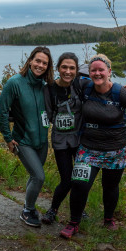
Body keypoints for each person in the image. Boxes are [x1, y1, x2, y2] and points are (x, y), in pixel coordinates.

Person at [60, 53, 126, 239]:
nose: (97, 73)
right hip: (88, 148)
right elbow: (65, 79)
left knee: (110, 187)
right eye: (93, 70)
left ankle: (108, 220)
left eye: (101, 70)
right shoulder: (84, 87)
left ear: (109, 71)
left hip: (115, 150)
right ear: (89, 72)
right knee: (79, 184)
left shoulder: (120, 93)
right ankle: (74, 223)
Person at [0, 46, 54, 227]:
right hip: (23, 140)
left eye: (44, 63)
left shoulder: (46, 86)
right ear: (30, 61)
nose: (40, 65)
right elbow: (2, 111)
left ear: (48, 66)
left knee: (34, 175)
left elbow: (70, 86)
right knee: (39, 177)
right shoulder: (15, 82)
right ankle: (28, 210)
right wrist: (7, 137)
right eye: (37, 61)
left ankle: (28, 206)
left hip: (43, 142)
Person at [41, 52, 89, 224]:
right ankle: (53, 209)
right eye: (64, 67)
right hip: (60, 141)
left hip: (80, 140)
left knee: (81, 178)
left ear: (76, 70)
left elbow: (104, 86)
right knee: (67, 179)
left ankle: (79, 209)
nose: (68, 71)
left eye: (72, 68)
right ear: (58, 68)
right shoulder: (49, 89)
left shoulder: (81, 85)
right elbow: (45, 113)